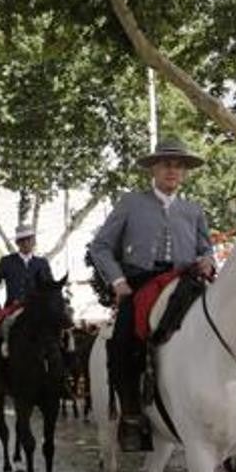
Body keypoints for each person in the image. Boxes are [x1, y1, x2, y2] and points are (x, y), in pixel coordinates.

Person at [89, 138, 215, 451]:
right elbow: (101, 246)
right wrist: (117, 281)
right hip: (141, 282)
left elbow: (205, 248)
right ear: (154, 169)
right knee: (121, 342)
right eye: (166, 164)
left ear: (185, 172)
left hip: (186, 282)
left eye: (179, 165)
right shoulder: (131, 203)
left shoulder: (193, 210)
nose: (173, 170)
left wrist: (208, 260)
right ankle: (131, 414)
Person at [0, 224, 55, 399]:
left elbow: (50, 287)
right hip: (13, 308)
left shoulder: (41, 263)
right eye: (24, 240)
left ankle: (60, 378)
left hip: (37, 310)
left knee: (58, 336)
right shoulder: (7, 262)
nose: (28, 243)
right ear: (19, 243)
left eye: (30, 239)